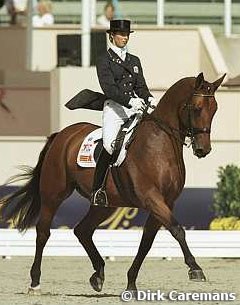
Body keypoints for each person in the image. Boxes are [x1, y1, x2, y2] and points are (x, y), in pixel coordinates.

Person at [91, 19, 156, 207]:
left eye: (126, 35)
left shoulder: (134, 60)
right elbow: (109, 88)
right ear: (112, 36)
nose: (124, 38)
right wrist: (129, 101)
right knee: (110, 146)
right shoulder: (104, 60)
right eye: (121, 34)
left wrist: (149, 98)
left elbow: (140, 86)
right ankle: (98, 190)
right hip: (115, 109)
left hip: (135, 108)